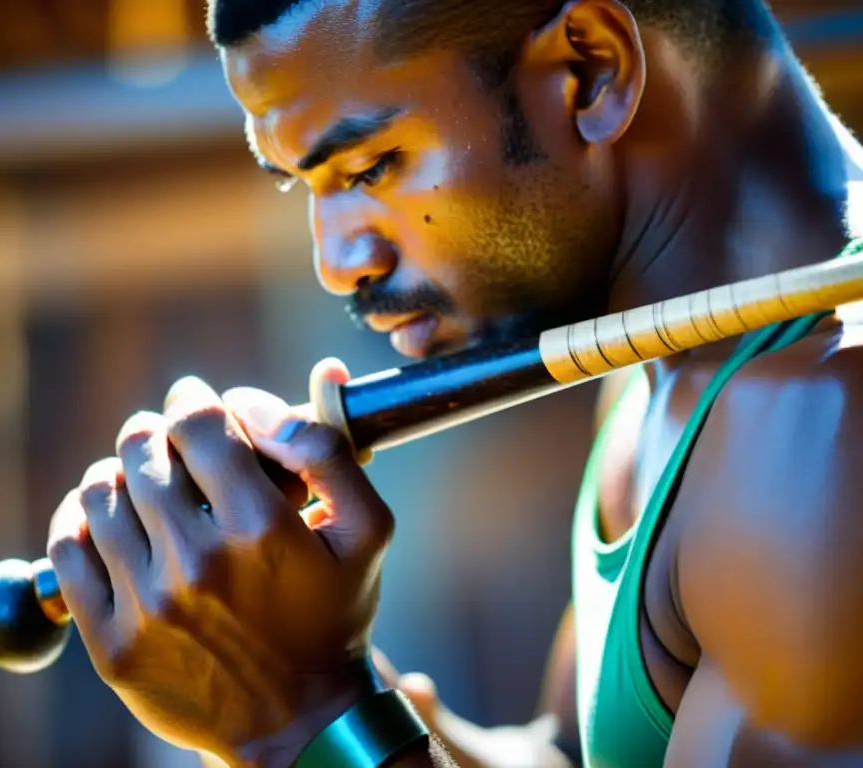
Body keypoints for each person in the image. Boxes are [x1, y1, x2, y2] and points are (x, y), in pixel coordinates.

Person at [43, 0, 863, 765]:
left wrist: (298, 720)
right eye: (304, 184)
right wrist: (317, 671)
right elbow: (578, 752)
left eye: (369, 167)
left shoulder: (820, 435)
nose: (336, 263)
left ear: (590, 70)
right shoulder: (664, 357)